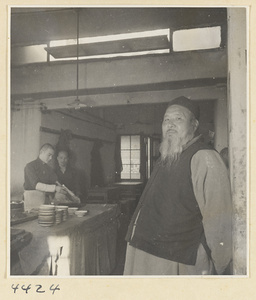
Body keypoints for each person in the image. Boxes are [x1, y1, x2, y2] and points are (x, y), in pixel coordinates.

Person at [123, 96, 232, 275]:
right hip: (144, 252)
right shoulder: (167, 156)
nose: (170, 124)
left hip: (176, 260)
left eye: (178, 119)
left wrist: (220, 267)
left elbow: (220, 220)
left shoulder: (204, 157)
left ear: (194, 125)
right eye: (166, 120)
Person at [23, 143, 66, 211]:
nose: (51, 158)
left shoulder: (49, 169)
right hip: (32, 201)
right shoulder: (30, 166)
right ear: (41, 152)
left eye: (52, 156)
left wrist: (64, 191)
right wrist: (55, 188)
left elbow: (56, 182)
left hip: (45, 201)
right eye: (49, 155)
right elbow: (36, 185)